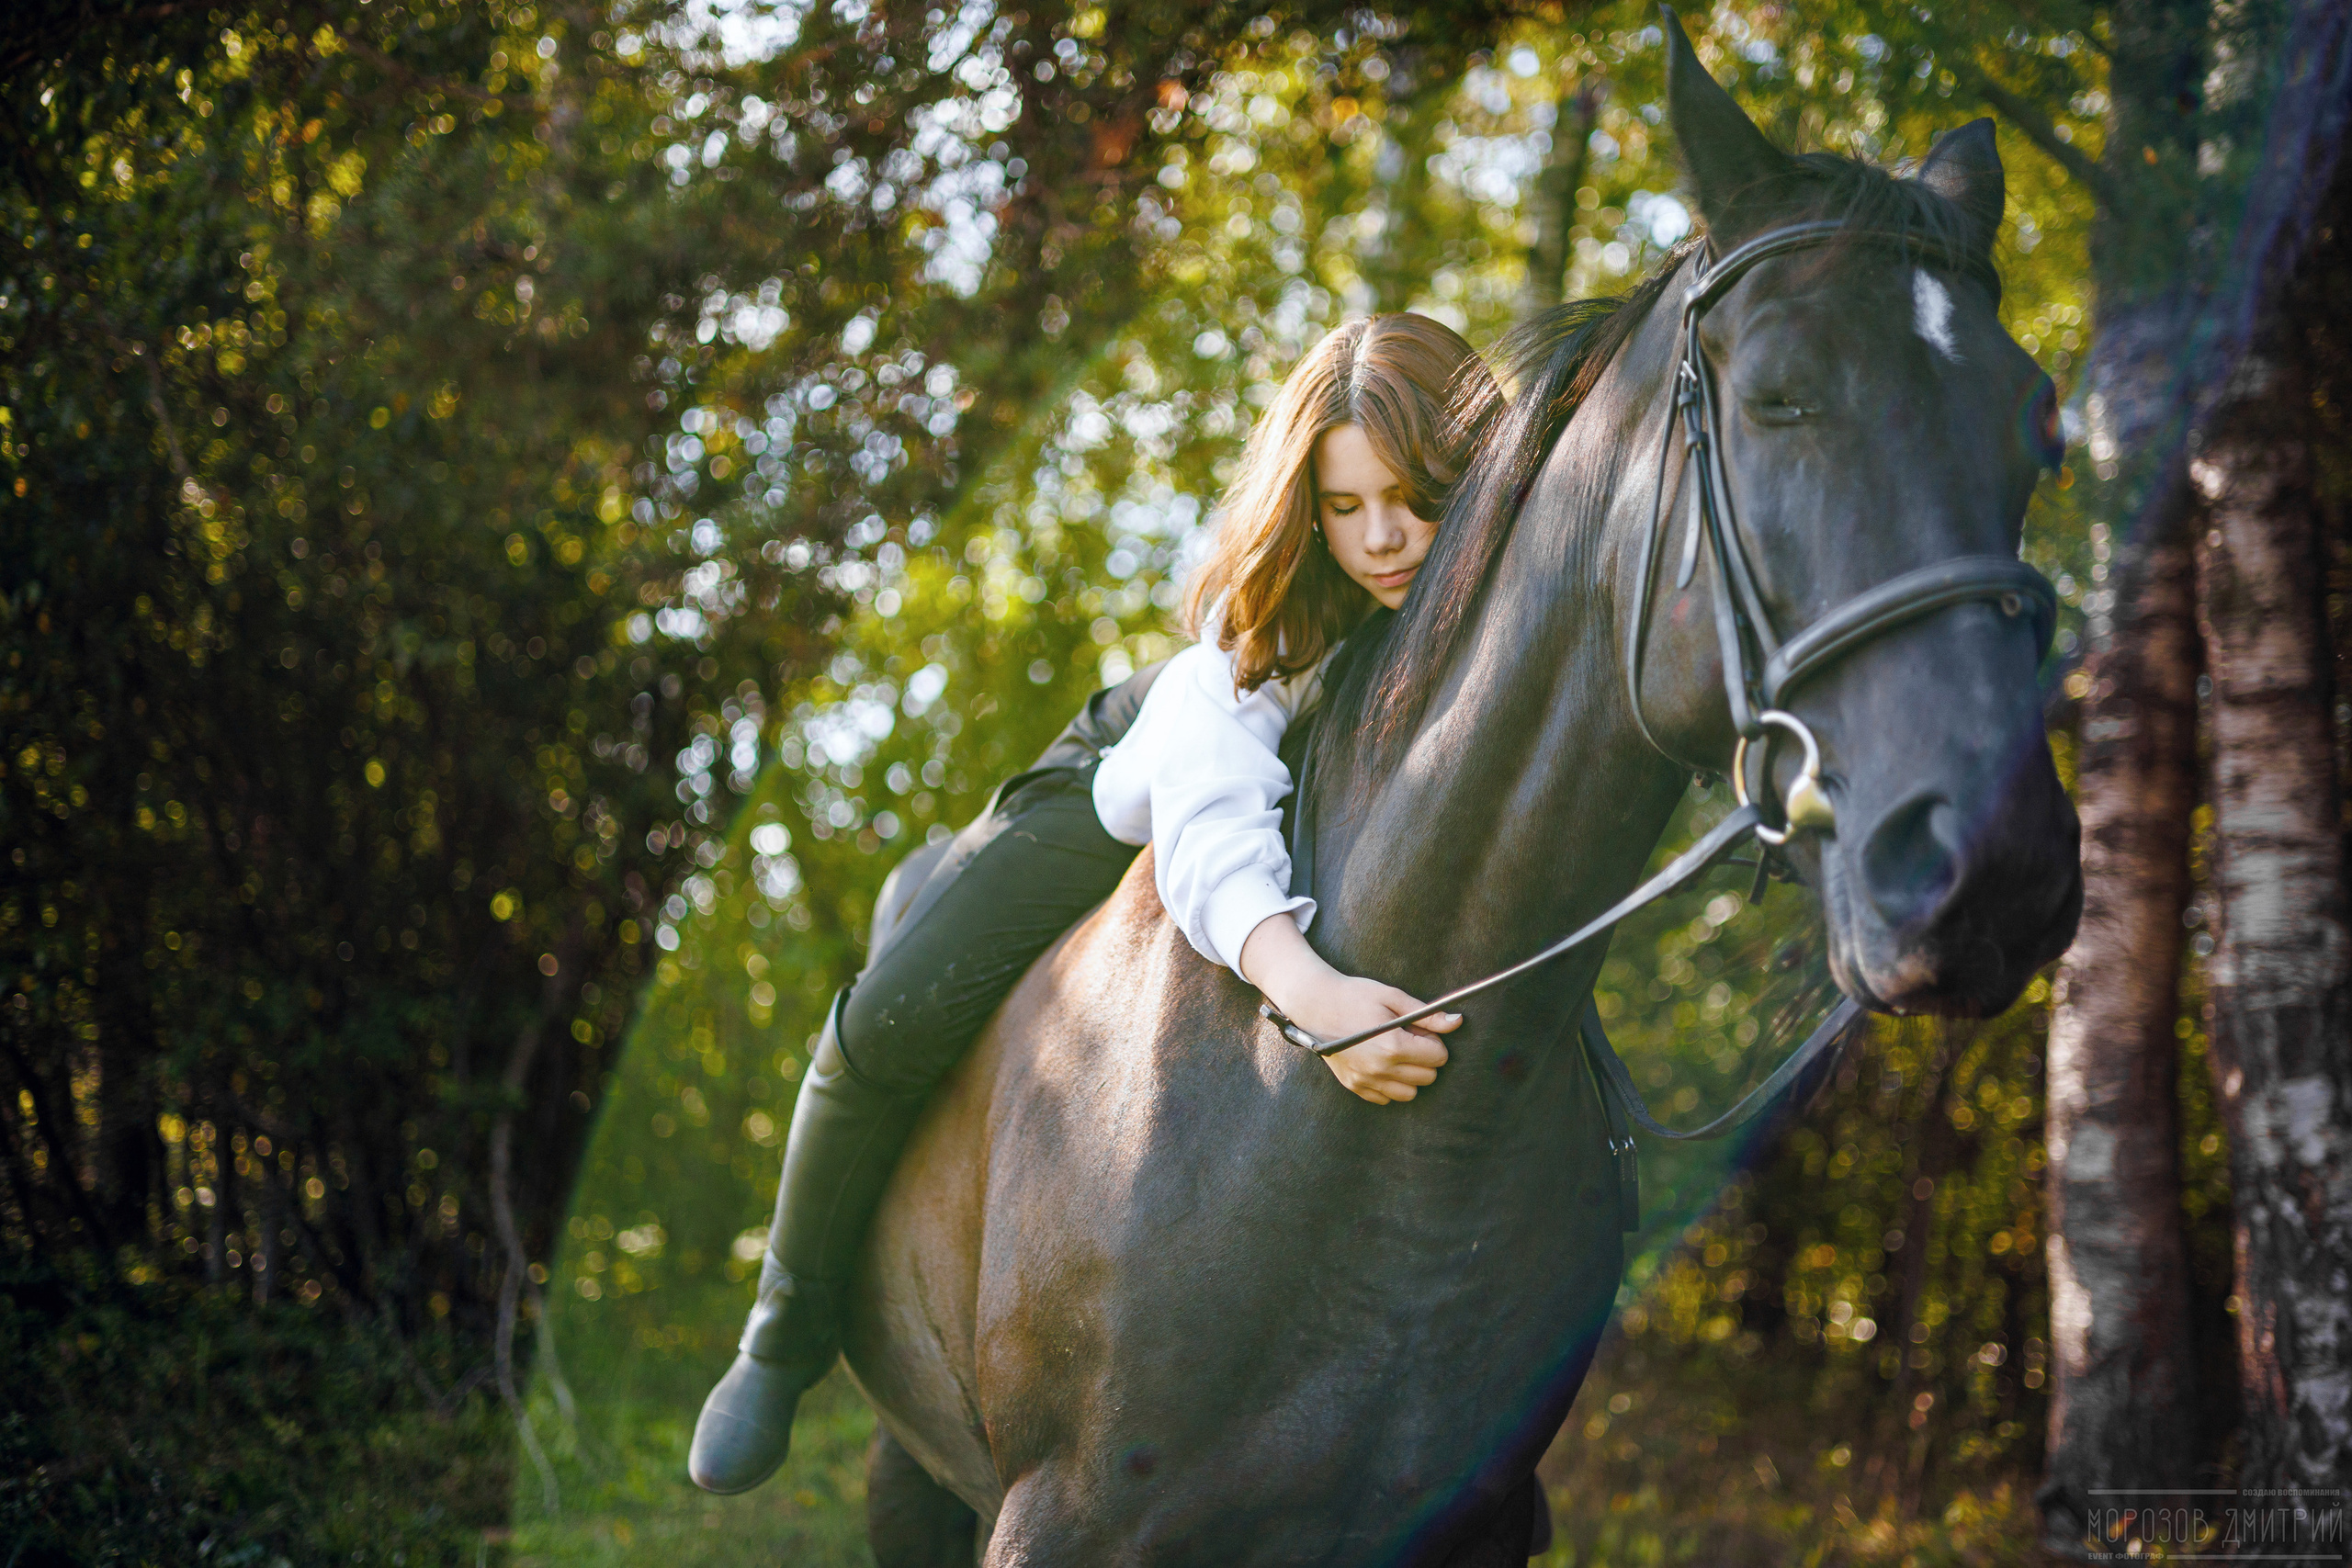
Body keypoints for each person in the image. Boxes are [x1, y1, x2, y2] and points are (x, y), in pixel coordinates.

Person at [689, 313, 1498, 1495]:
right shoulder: (1263, 631)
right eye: (1344, 505)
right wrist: (1311, 991)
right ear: (1305, 511)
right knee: (885, 1021)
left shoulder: (1492, 600)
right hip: (1118, 794)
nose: (1383, 538)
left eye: (1414, 499)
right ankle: (782, 1332)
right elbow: (1211, 824)